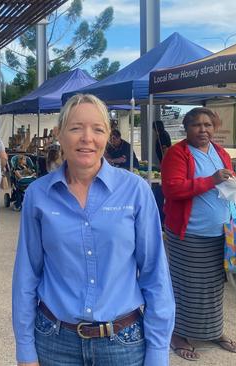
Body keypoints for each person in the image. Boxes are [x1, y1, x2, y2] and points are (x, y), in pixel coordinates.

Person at [12, 94, 174, 366]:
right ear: (59, 134)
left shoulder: (135, 191)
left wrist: (158, 353)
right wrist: (25, 349)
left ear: (108, 136)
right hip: (54, 342)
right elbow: (27, 274)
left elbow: (155, 274)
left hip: (123, 343)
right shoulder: (38, 195)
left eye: (97, 129)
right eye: (76, 128)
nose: (87, 137)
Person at [161, 107, 236, 361]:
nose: (203, 130)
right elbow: (172, 189)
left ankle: (212, 330)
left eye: (208, 125)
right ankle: (178, 334)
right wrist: (212, 180)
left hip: (219, 233)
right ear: (187, 128)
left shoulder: (221, 153)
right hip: (189, 234)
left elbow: (225, 182)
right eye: (197, 125)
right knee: (187, 285)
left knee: (214, 286)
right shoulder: (177, 153)